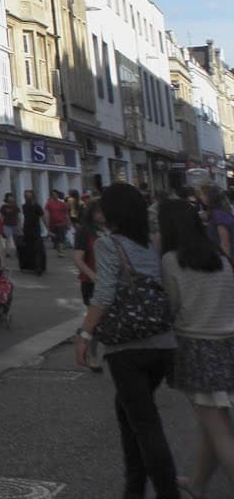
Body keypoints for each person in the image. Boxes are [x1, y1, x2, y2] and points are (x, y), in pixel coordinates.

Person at [76, 183, 181, 499]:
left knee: (145, 422)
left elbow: (105, 292)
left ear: (114, 211)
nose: (100, 211)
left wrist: (85, 335)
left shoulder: (109, 244)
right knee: (128, 409)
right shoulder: (155, 243)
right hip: (162, 342)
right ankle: (133, 487)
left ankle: (166, 492)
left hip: (127, 346)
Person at [159, 198, 234, 499]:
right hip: (228, 345)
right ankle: (198, 483)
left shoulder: (171, 261)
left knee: (220, 431)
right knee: (212, 426)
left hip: (196, 348)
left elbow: (172, 307)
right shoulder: (220, 258)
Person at [21, 188, 48, 275]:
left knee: (37, 249)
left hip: (35, 230)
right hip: (27, 230)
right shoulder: (24, 206)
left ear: (32, 197)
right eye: (26, 196)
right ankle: (32, 266)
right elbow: (25, 219)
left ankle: (39, 267)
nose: (27, 198)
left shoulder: (37, 206)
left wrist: (48, 228)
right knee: (30, 249)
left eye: (29, 196)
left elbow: (43, 217)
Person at [203, 188, 234, 262]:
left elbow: (225, 244)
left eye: (202, 194)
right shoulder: (220, 212)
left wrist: (229, 265)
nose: (200, 197)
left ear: (210, 197)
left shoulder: (218, 215)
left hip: (226, 258)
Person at [46, 189, 72, 256]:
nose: (54, 196)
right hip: (52, 224)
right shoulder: (49, 204)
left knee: (61, 238)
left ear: (58, 195)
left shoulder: (62, 204)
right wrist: (47, 223)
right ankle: (59, 250)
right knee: (55, 239)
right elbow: (47, 213)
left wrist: (68, 222)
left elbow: (66, 214)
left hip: (61, 223)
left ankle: (61, 252)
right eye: (53, 195)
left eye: (55, 194)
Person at [0, 191, 21, 261]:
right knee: (8, 238)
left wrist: (19, 225)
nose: (11, 199)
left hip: (14, 224)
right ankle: (7, 252)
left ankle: (18, 251)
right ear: (7, 199)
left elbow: (18, 217)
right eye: (9, 198)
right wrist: (1, 225)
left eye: (12, 197)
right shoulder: (3, 207)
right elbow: (1, 216)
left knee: (16, 239)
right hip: (6, 225)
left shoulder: (15, 207)